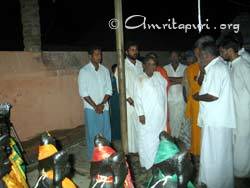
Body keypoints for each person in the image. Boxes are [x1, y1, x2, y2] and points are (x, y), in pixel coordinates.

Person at [193, 42, 235, 188]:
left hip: (217, 121)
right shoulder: (214, 68)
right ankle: (212, 181)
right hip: (215, 120)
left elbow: (213, 95)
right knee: (215, 154)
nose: (200, 59)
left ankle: (216, 183)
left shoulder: (217, 68)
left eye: (201, 56)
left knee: (216, 155)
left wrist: (198, 97)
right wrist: (202, 70)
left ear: (207, 55)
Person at [220, 38, 250, 177]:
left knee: (242, 143)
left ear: (230, 51)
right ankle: (237, 170)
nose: (221, 54)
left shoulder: (244, 65)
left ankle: (242, 173)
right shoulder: (232, 66)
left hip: (244, 113)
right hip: (235, 112)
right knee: (237, 143)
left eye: (223, 51)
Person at [133, 54, 168, 169]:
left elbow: (164, 89)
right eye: (149, 64)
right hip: (147, 116)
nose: (151, 67)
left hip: (159, 116)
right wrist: (141, 114)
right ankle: (146, 164)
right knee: (145, 139)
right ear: (144, 65)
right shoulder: (139, 78)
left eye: (154, 64)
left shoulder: (159, 76)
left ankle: (157, 161)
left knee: (158, 138)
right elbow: (136, 98)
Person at [78, 46, 112, 160]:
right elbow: (83, 92)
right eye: (96, 54)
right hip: (91, 109)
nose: (99, 57)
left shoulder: (105, 70)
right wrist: (95, 106)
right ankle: (94, 159)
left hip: (104, 107)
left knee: (106, 133)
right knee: (93, 134)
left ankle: (107, 156)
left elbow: (109, 90)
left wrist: (102, 104)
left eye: (100, 54)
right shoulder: (84, 71)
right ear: (90, 56)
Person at [184, 36, 214, 157]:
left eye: (200, 50)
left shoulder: (212, 66)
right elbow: (189, 88)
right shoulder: (190, 68)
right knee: (195, 130)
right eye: (196, 51)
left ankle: (206, 153)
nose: (198, 53)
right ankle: (196, 153)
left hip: (208, 102)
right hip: (195, 103)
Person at [125, 41, 143, 153]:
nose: (135, 52)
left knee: (141, 128)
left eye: (136, 49)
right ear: (126, 52)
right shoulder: (122, 66)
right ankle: (131, 153)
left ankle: (140, 151)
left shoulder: (141, 65)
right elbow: (121, 87)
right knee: (131, 129)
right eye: (132, 50)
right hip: (129, 103)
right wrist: (131, 101)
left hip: (141, 101)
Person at [164, 51, 186, 138]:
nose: (174, 58)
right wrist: (180, 80)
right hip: (170, 100)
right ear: (169, 58)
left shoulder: (185, 68)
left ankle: (180, 141)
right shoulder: (165, 68)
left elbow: (185, 80)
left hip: (182, 100)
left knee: (181, 122)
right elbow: (165, 81)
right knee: (171, 122)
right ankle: (173, 140)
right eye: (172, 56)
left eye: (176, 56)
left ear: (179, 57)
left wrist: (170, 80)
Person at [109, 64, 121, 141]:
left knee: (119, 118)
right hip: (115, 102)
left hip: (119, 101)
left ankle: (119, 135)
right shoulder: (112, 80)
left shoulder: (120, 80)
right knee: (115, 118)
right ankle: (115, 136)